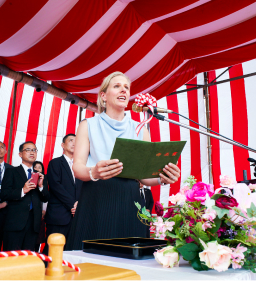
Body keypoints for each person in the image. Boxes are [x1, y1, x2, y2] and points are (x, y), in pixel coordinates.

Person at [65, 72, 181, 250]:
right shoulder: (88, 124)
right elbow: (77, 167)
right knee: (93, 262)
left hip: (130, 201)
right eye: (117, 86)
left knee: (129, 262)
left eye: (126, 87)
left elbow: (144, 177)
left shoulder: (140, 128)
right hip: (96, 199)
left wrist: (161, 178)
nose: (124, 90)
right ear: (103, 95)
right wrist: (94, 172)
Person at [1, 141, 49, 251]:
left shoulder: (40, 174)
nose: (32, 152)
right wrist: (22, 190)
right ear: (20, 154)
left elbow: (46, 198)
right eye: (28, 150)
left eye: (34, 150)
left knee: (29, 258)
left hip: (34, 224)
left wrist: (41, 187)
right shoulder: (11, 171)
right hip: (15, 223)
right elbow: (4, 194)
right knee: (12, 257)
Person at [44, 134, 83, 255]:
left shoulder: (81, 166)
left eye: (77, 141)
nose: (74, 143)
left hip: (77, 216)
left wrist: (79, 205)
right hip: (59, 216)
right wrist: (73, 205)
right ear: (63, 145)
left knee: (72, 251)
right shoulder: (55, 163)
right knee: (53, 250)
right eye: (71, 140)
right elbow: (56, 187)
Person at [33, 161, 47, 252]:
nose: (37, 169)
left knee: (38, 238)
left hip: (41, 214)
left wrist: (44, 210)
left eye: (40, 167)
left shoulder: (45, 179)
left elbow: (47, 197)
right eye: (36, 167)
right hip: (31, 212)